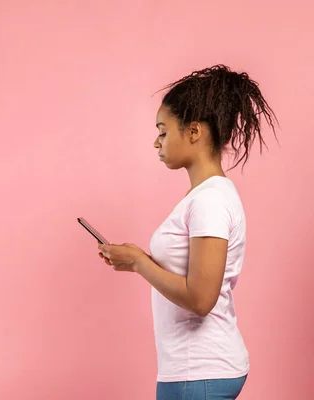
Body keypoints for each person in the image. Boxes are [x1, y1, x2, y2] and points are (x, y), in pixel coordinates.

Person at [98, 64, 277, 400]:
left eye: (163, 131)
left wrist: (139, 263)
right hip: (195, 371)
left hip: (200, 373)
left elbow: (201, 298)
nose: (156, 142)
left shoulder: (210, 199)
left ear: (193, 132)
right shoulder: (205, 196)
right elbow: (189, 276)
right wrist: (138, 260)